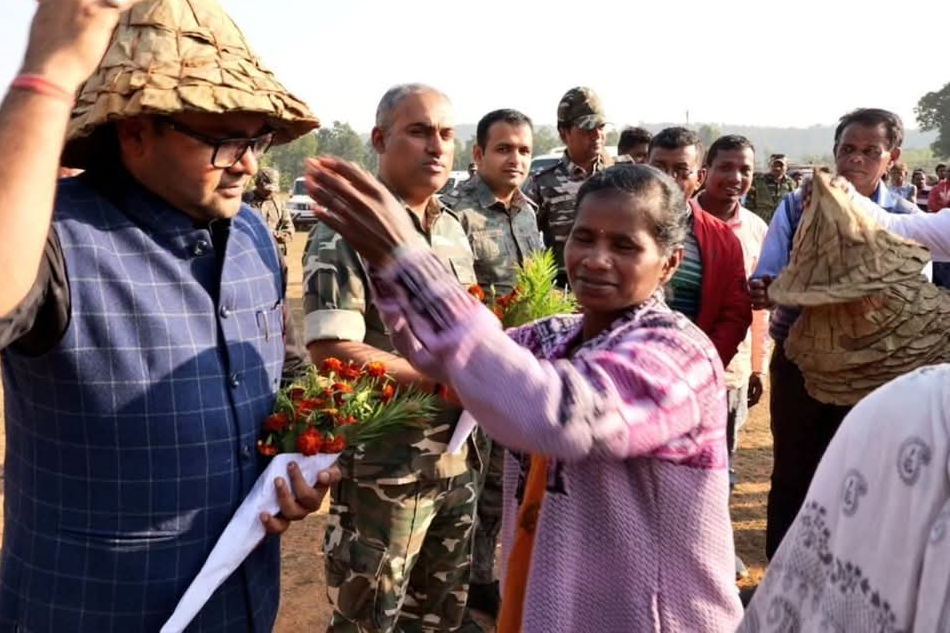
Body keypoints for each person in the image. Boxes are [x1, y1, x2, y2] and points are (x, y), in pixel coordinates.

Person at [0, 0, 337, 632]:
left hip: (240, 608)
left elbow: (281, 369)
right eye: (224, 137)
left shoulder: (254, 234)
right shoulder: (57, 237)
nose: (250, 164)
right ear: (135, 130)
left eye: (256, 138)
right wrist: (47, 74)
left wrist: (297, 458)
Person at [306, 160, 745, 632]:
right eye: (584, 237)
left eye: (624, 245)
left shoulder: (677, 353)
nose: (596, 258)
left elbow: (560, 416)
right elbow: (447, 356)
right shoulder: (556, 337)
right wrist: (384, 260)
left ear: (670, 263)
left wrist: (414, 261)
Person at [302, 83, 481, 633]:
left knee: (441, 614)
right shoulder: (346, 231)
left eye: (447, 134)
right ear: (380, 139)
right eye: (419, 131)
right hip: (388, 472)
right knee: (370, 619)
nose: (436, 147)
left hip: (458, 461)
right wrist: (437, 380)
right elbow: (331, 349)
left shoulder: (452, 227)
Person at [749, 107, 920, 559]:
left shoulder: (905, 216)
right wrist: (767, 288)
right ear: (835, 151)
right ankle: (782, 573)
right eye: (848, 149)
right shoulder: (796, 204)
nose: (856, 160)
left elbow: (912, 297)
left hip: (875, 370)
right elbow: (769, 278)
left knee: (866, 469)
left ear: (892, 157)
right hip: (802, 364)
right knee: (794, 469)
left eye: (870, 151)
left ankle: (850, 574)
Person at [738, 364, 950, 632]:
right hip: (816, 371)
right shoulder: (901, 409)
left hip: (885, 381)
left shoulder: (904, 408)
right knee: (794, 484)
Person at [442, 108, 543, 622]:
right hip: (471, 375)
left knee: (503, 485)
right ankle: (456, 589)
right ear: (478, 154)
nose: (516, 159)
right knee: (467, 485)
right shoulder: (454, 213)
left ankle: (483, 578)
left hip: (519, 370)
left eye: (524, 150)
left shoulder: (528, 211)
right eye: (504, 149)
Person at [691, 135, 769, 578]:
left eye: (744, 169)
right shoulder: (679, 220)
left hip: (731, 371)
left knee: (723, 462)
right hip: (674, 370)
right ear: (705, 171)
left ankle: (715, 549)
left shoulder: (758, 229)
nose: (735, 178)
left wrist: (756, 366)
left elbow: (756, 307)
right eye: (726, 168)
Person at [646, 127, 752, 369]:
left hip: (691, 372)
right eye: (659, 168)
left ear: (700, 178)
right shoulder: (617, 225)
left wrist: (702, 368)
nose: (668, 178)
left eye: (681, 171)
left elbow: (734, 314)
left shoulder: (723, 239)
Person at [525, 87, 610, 288]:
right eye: (587, 127)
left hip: (615, 281)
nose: (597, 134)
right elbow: (525, 241)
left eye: (601, 126)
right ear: (564, 134)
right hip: (565, 287)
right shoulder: (542, 184)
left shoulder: (623, 175)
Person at [244, 167, 295, 256]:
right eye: (266, 188)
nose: (270, 191)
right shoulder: (244, 200)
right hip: (250, 253)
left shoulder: (279, 203)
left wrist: (282, 236)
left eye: (272, 189)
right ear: (258, 183)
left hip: (274, 254)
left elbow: (289, 227)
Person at [744, 152, 795, 224]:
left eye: (781, 165)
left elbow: (794, 206)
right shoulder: (757, 181)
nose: (777, 168)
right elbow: (748, 205)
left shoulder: (791, 184)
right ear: (769, 166)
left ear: (786, 167)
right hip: (761, 222)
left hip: (782, 224)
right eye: (774, 165)